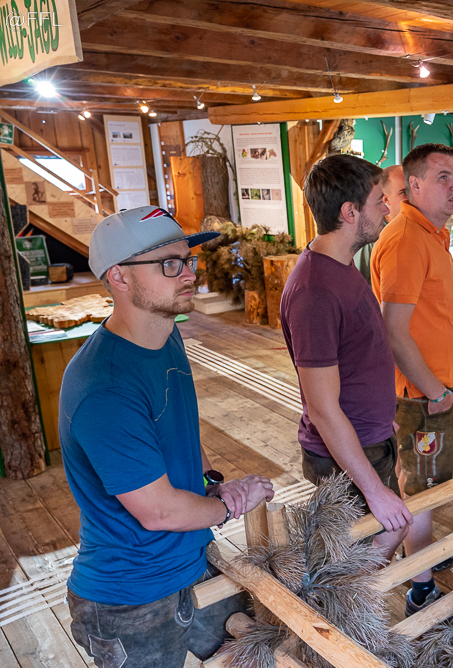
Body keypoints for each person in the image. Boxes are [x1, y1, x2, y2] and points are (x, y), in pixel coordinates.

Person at [60, 206, 275, 668]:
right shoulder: (104, 386)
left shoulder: (164, 335)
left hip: (189, 556)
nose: (190, 274)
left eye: (188, 260)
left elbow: (179, 425)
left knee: (257, 653)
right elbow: (157, 511)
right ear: (119, 276)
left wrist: (212, 482)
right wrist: (231, 503)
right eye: (169, 264)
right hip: (129, 598)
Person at [280, 154, 411, 564]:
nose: (387, 209)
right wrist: (374, 489)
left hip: (366, 436)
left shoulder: (341, 266)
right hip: (345, 455)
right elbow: (321, 408)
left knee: (389, 530)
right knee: (359, 554)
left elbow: (356, 356)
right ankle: (350, 603)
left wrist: (379, 415)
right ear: (349, 212)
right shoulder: (315, 291)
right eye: (379, 201)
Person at [370, 144, 453, 616]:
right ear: (413, 185)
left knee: (426, 484)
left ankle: (420, 556)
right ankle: (421, 586)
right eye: (442, 177)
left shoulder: (430, 234)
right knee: (423, 490)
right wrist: (434, 391)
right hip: (424, 396)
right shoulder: (407, 238)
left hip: (436, 390)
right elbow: (393, 330)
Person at [355, 164, 407, 285]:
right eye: (404, 192)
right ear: (386, 199)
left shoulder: (423, 230)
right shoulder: (372, 235)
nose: (413, 197)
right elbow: (357, 286)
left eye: (415, 189)